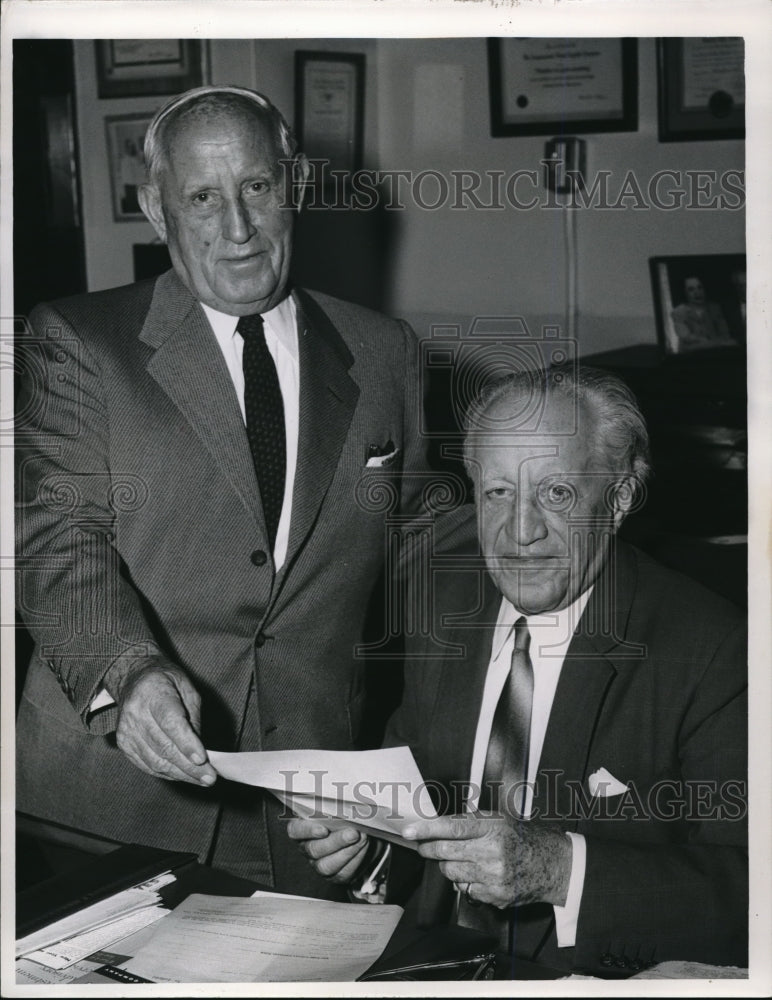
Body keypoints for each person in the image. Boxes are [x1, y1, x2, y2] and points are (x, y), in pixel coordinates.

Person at [15, 85, 426, 896]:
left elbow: (421, 562)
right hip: (112, 808)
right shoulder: (78, 342)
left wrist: (396, 792)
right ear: (156, 210)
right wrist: (127, 672)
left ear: (294, 186)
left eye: (257, 189)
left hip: (314, 818)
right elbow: (59, 542)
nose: (238, 229)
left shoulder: (385, 352)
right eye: (202, 197)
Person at [287, 366, 747, 975]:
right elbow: (417, 810)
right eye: (499, 492)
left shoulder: (715, 649)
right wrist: (368, 848)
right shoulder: (442, 609)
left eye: (556, 493)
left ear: (619, 498)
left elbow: (750, 891)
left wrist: (559, 871)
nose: (520, 532)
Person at [671, 275, 733, 351]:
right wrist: (715, 342)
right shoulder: (678, 311)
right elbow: (687, 338)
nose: (697, 293)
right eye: (691, 289)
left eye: (700, 287)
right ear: (684, 292)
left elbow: (725, 334)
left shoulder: (715, 308)